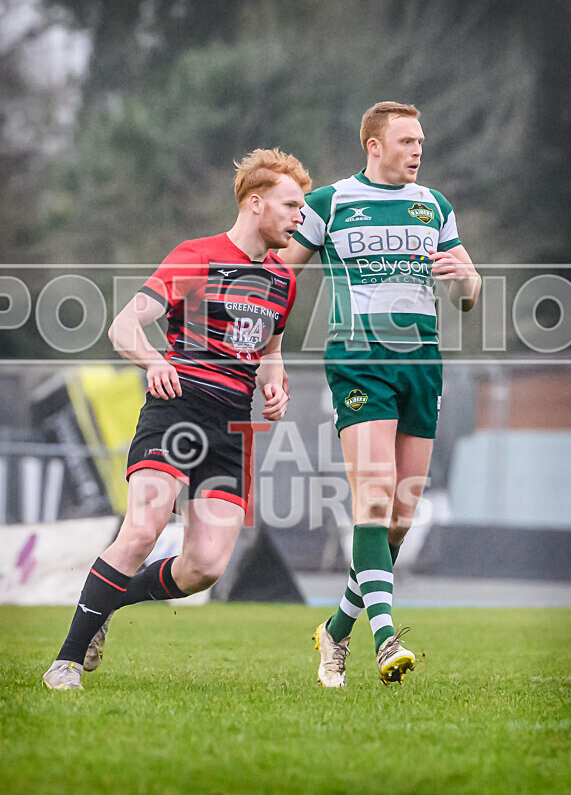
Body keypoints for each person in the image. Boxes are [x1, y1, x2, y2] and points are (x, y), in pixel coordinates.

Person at [43, 148, 312, 690]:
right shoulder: (196, 255)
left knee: (203, 568)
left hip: (232, 426)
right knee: (144, 527)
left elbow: (269, 350)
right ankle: (66, 662)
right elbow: (124, 329)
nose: (300, 216)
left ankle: (108, 604)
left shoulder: (283, 280)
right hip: (177, 408)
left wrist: (276, 383)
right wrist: (154, 360)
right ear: (255, 204)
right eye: (291, 205)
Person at [280, 101, 481, 687]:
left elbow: (469, 292)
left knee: (398, 520)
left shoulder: (434, 206)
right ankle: (384, 636)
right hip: (359, 363)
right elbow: (279, 271)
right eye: (406, 141)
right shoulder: (332, 202)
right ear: (373, 145)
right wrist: (262, 341)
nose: (418, 150)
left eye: (421, 141)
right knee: (372, 498)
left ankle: (335, 631)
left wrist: (464, 280)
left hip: (422, 366)